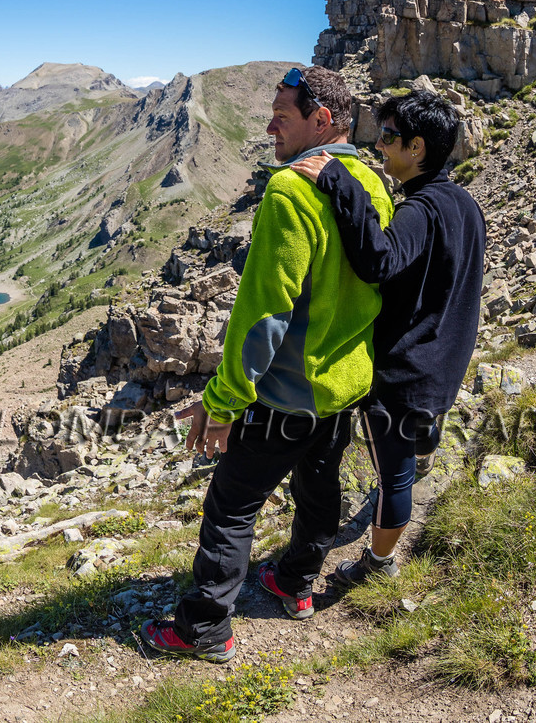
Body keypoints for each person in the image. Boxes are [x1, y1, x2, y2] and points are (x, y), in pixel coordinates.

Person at [137, 66, 394, 663]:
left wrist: (223, 403)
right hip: (343, 386)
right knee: (319, 486)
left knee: (231, 505)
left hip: (286, 392)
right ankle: (297, 583)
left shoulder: (288, 191)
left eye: (283, 114)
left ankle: (203, 630)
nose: (270, 124)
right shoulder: (372, 184)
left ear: (322, 120)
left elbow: (264, 315)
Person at [288, 87, 486, 586]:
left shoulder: (419, 210)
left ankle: (378, 563)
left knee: (392, 479)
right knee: (421, 436)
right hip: (447, 356)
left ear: (417, 148)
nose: (380, 147)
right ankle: (423, 457)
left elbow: (379, 261)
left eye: (390, 137)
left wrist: (337, 181)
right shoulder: (464, 202)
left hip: (406, 371)